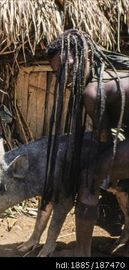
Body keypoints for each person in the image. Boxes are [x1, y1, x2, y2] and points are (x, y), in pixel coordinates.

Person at [45, 29, 129, 256]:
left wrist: (106, 176)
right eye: (59, 72)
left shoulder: (93, 91)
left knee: (89, 177)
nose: (66, 76)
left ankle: (81, 253)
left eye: (71, 66)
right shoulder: (112, 73)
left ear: (88, 56)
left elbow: (105, 142)